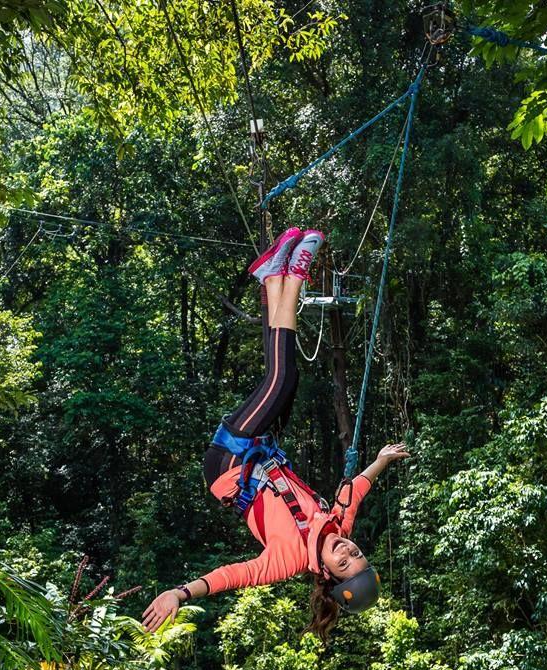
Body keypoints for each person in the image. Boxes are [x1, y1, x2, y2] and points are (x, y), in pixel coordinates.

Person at [141, 226, 409, 639]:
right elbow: (356, 490)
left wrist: (180, 593)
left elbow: (234, 575)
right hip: (261, 452)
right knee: (283, 378)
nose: (346, 551)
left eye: (344, 563)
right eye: (356, 554)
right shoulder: (338, 525)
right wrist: (381, 461)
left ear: (327, 576)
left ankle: (292, 275)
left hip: (230, 468)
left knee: (282, 380)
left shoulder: (286, 560)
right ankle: (273, 279)